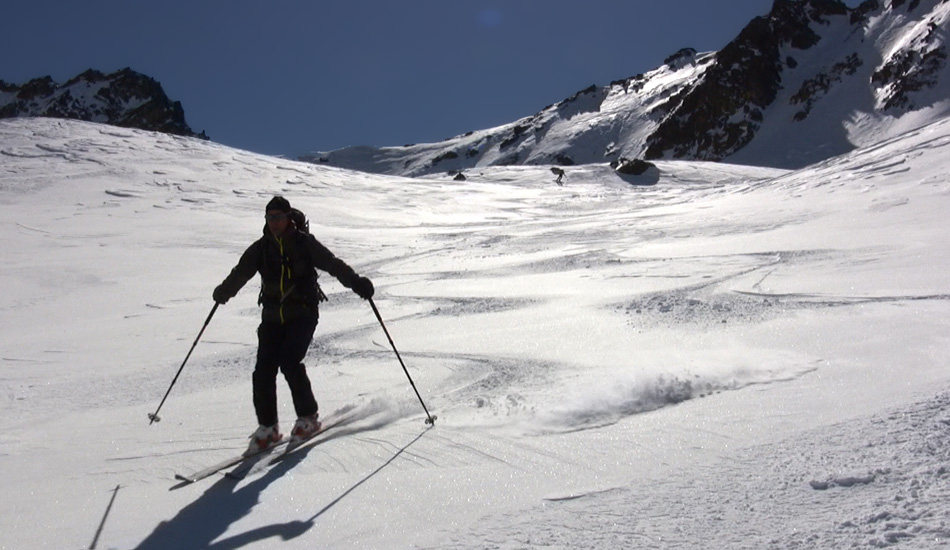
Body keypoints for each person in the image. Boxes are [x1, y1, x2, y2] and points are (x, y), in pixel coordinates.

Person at [212, 195, 375, 453]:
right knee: (263, 371)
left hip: (302, 313)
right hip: (272, 318)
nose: (274, 223)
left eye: (278, 217)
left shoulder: (303, 243)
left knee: (289, 361)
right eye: (269, 218)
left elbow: (332, 264)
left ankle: (308, 417)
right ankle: (268, 428)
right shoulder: (262, 248)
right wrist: (224, 291)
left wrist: (357, 283)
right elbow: (241, 272)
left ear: (289, 218)